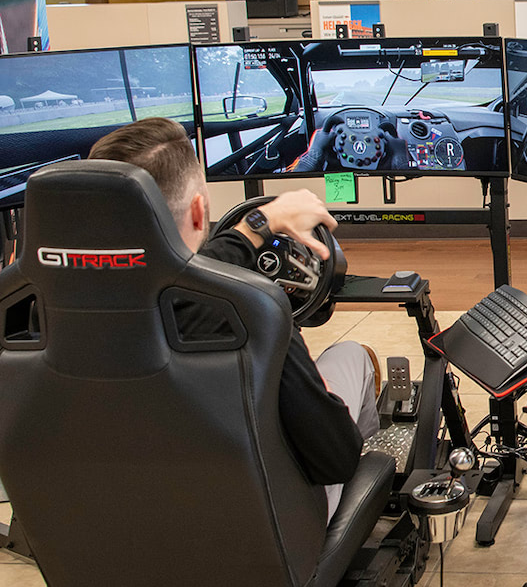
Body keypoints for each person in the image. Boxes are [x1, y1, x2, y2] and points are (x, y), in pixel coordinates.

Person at [88, 117, 379, 516]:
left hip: (101, 521)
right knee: (352, 357)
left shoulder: (32, 308)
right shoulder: (250, 308)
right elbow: (336, 458)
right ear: (199, 212)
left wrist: (251, 230)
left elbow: (170, 277)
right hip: (258, 531)